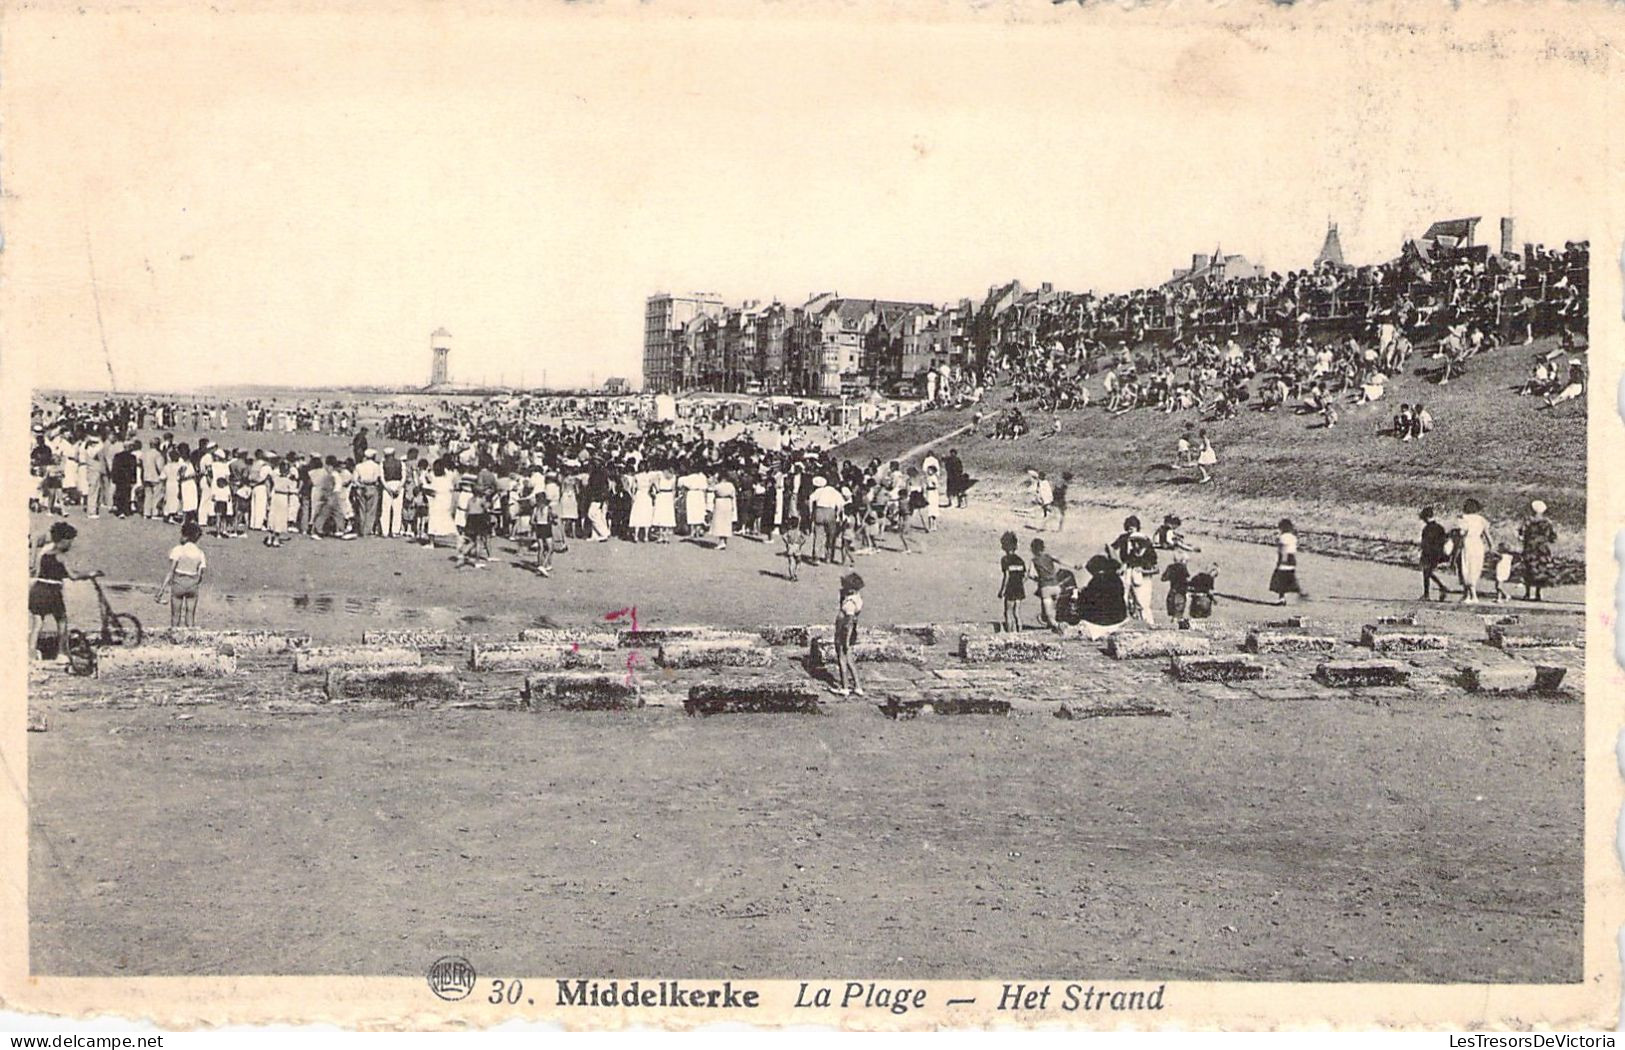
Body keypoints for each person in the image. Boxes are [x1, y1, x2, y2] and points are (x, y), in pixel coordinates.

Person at [30, 522, 99, 663]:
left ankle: (30, 652)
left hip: (37, 590)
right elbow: (73, 576)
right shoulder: (61, 556)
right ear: (64, 541)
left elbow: (38, 572)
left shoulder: (44, 554)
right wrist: (90, 574)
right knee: (61, 620)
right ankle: (61, 653)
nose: (71, 545)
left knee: (37, 623)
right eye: (70, 542)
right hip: (52, 592)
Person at [1109, 516, 1158, 624]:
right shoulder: (1125, 541)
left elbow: (1155, 567)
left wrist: (1143, 570)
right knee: (1124, 597)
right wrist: (1120, 563)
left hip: (1141, 575)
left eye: (1133, 528)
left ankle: (1148, 623)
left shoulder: (1147, 547)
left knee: (1142, 602)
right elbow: (1112, 548)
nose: (1134, 544)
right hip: (1129, 571)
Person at [158, 522, 208, 627]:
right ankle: (190, 639)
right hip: (192, 584)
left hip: (178, 582)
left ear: (185, 536)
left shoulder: (178, 550)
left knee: (175, 615)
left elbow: (171, 571)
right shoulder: (200, 553)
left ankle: (174, 639)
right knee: (190, 615)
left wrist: (161, 590)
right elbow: (200, 575)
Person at [1075, 554, 1129, 640]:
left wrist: (1082, 593)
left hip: (1100, 620)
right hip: (1118, 618)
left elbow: (1090, 599)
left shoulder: (1096, 580)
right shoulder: (1116, 578)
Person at [830, 572, 866, 698]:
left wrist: (845, 639)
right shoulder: (857, 598)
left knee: (842, 657)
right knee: (849, 658)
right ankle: (858, 686)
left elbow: (848, 623)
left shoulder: (850, 604)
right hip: (850, 631)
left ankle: (844, 687)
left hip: (844, 631)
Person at [1029, 538, 1073, 634]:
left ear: (1033, 549)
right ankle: (1053, 628)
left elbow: (1030, 574)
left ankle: (1058, 626)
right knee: (1053, 610)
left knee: (1049, 615)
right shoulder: (1049, 556)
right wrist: (1074, 566)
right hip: (1056, 586)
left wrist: (1038, 579)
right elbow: (1061, 561)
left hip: (1045, 588)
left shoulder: (1034, 561)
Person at [1456, 498, 1495, 604]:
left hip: (1468, 543)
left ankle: (1471, 595)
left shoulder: (1464, 519)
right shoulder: (1481, 519)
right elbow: (1487, 535)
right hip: (1478, 544)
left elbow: (1461, 533)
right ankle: (1468, 594)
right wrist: (1491, 547)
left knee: (1466, 567)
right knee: (1475, 568)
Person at [1519, 499, 1557, 602]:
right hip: (1542, 548)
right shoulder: (1547, 522)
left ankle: (1527, 593)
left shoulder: (1528, 520)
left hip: (1530, 547)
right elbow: (1553, 537)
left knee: (1528, 569)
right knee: (1541, 569)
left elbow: (1521, 533)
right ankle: (1538, 593)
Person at [1268, 519, 1305, 605]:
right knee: (1290, 578)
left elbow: (1283, 550)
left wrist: (1281, 561)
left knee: (1280, 580)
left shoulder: (1282, 537)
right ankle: (1299, 592)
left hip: (1284, 561)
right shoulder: (1293, 538)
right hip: (1292, 560)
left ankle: (1282, 598)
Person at [997, 531, 1027, 633]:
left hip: (1010, 588)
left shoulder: (1005, 560)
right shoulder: (1020, 560)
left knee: (1008, 612)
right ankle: (1020, 632)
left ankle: (1010, 633)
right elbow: (1024, 576)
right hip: (1019, 588)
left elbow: (1006, 576)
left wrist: (1002, 590)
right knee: (1017, 612)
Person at [1418, 506, 1451, 600]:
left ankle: (1428, 594)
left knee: (1426, 573)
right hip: (1438, 553)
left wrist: (1422, 553)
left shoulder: (1426, 529)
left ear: (1426, 518)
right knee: (1428, 573)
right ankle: (1441, 588)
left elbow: (1424, 543)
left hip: (1428, 553)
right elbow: (1444, 540)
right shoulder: (1440, 527)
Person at [531, 483, 556, 577]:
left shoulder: (535, 509)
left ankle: (539, 564)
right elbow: (553, 517)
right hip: (546, 527)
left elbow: (532, 521)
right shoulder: (548, 508)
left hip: (538, 527)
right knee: (550, 548)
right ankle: (544, 565)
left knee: (540, 548)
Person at [709, 473, 737, 551]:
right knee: (726, 522)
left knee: (720, 522)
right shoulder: (731, 485)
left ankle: (721, 541)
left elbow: (711, 489)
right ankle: (724, 540)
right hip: (728, 503)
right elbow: (733, 495)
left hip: (720, 503)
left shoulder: (718, 486)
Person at [1161, 550, 1191, 620]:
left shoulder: (1170, 567)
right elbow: (1185, 579)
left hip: (1172, 591)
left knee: (1173, 611)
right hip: (1180, 591)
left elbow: (1163, 578)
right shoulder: (1183, 568)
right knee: (1179, 611)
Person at [782, 514, 807, 581]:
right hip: (797, 547)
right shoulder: (798, 532)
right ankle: (795, 572)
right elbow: (804, 538)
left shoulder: (789, 532)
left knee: (791, 563)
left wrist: (787, 542)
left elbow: (783, 537)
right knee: (798, 561)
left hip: (790, 547)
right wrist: (801, 544)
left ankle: (791, 575)